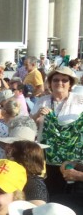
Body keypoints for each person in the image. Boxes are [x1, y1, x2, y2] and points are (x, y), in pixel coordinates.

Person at [31, 67, 82, 195]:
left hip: (72, 160)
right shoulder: (42, 101)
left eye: (64, 80)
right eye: (56, 80)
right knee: (50, 192)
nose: (60, 83)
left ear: (70, 84)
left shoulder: (79, 100)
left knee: (69, 196)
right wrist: (37, 115)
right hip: (46, 157)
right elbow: (30, 124)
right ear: (50, 83)